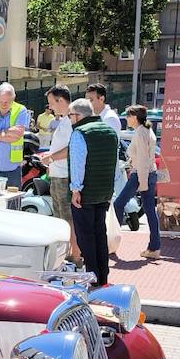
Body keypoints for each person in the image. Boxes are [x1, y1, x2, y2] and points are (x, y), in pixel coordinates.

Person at [66, 97, 120, 286]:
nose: (69, 119)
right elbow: (115, 165)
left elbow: (78, 164)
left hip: (85, 193)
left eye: (70, 116)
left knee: (85, 236)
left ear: (78, 116)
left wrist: (75, 189)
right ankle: (103, 276)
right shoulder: (110, 131)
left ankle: (92, 277)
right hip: (104, 192)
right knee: (100, 233)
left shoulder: (79, 133)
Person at [37, 85, 81, 266]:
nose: (50, 107)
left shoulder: (71, 121)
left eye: (51, 103)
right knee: (61, 217)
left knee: (66, 218)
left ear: (60, 100)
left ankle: (76, 256)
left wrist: (51, 157)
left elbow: (72, 148)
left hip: (64, 177)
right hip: (58, 174)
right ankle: (71, 254)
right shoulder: (65, 120)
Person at [113, 104, 160, 260]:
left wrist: (142, 181)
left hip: (140, 174)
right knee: (150, 211)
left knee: (118, 204)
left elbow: (141, 160)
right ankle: (154, 247)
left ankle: (112, 241)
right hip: (148, 173)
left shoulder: (140, 133)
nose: (127, 118)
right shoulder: (147, 131)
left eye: (128, 115)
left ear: (134, 117)